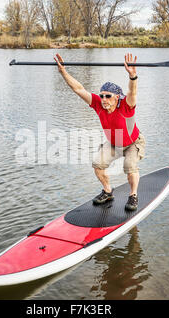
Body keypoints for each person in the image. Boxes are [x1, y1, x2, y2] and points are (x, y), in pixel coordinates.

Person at [54, 53, 145, 211]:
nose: (103, 99)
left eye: (107, 96)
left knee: (130, 166)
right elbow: (78, 88)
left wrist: (133, 77)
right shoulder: (97, 104)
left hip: (132, 143)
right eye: (102, 95)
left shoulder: (126, 105)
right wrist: (63, 72)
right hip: (114, 142)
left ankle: (133, 195)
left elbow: (133, 93)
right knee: (97, 165)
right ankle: (108, 191)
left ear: (117, 97)